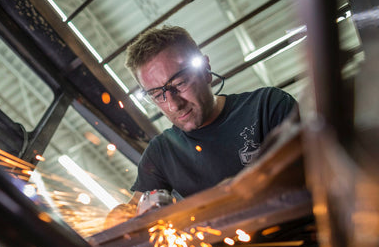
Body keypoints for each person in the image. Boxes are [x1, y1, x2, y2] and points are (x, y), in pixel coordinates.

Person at [105, 25, 297, 225]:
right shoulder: (161, 152)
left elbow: (301, 168)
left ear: (205, 70)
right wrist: (121, 218)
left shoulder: (266, 105)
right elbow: (134, 209)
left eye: (180, 84)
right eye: (157, 95)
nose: (173, 104)